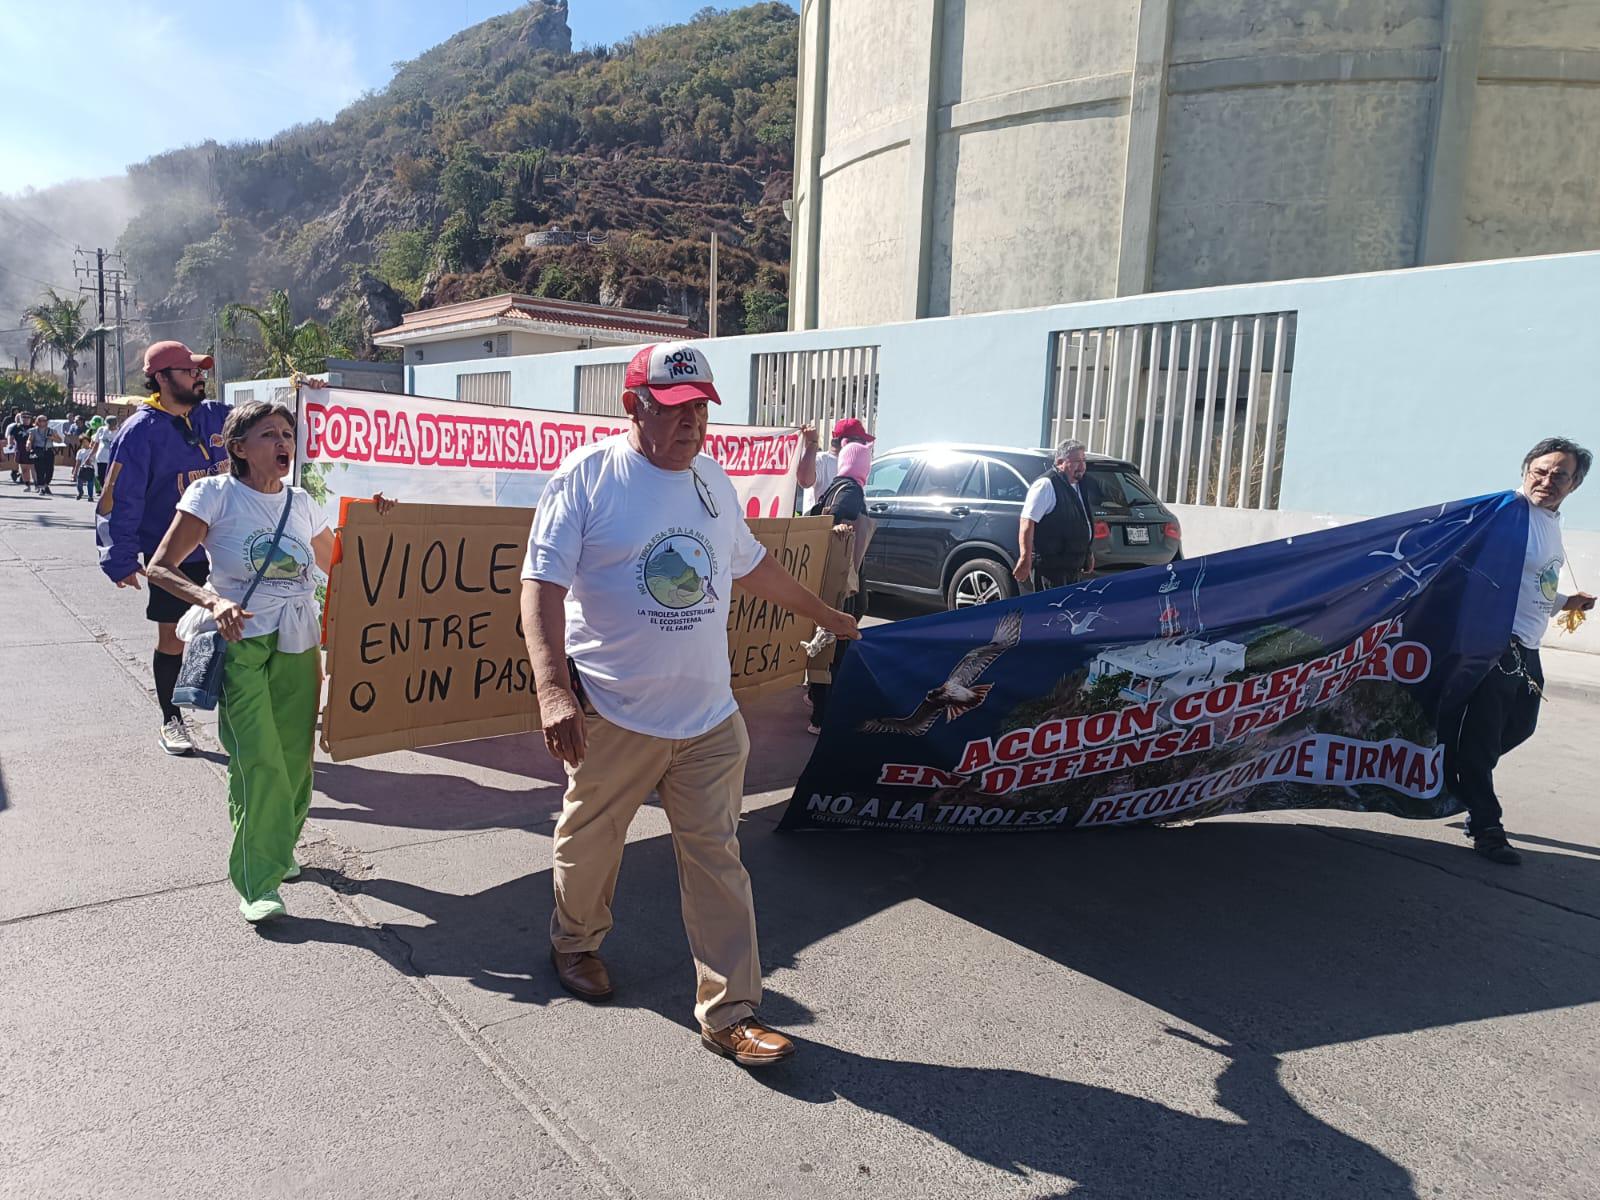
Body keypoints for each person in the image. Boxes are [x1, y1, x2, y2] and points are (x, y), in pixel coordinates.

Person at [522, 341, 860, 1068]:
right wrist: (553, 690)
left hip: (708, 717)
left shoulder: (712, 479)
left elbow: (752, 564)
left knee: (717, 858)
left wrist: (825, 615)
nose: (692, 424)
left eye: (701, 408)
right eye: (675, 409)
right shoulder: (588, 478)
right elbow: (540, 586)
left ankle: (731, 1012)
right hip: (614, 713)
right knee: (589, 844)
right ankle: (574, 941)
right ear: (633, 406)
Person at [145, 402, 393, 923]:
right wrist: (213, 600)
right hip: (241, 643)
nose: (284, 442)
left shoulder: (301, 502)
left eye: (287, 433)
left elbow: (341, 563)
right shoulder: (213, 494)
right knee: (258, 760)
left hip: (299, 642)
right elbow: (161, 567)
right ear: (239, 447)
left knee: (296, 761)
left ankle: (279, 847)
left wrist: (376, 521)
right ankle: (258, 882)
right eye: (269, 434)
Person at [1441, 436, 1595, 865]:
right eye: (1539, 471)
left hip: (1527, 645)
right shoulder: (1507, 513)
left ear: (1574, 484)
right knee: (1483, 738)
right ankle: (1487, 826)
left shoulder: (1549, 521)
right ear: (1526, 471)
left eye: (1559, 475)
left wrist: (1566, 602)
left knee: (1519, 727)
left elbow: (1531, 583)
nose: (1547, 480)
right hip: (1495, 644)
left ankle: (1454, 778)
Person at [98, 341, 232, 756]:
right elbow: (118, 498)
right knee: (173, 639)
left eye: (199, 371)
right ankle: (171, 719)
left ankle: (241, 719)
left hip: (228, 550)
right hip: (174, 557)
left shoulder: (219, 416)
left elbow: (276, 424)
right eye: (189, 371)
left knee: (238, 633)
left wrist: (309, 395)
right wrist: (119, 557)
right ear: (161, 377)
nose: (199, 377)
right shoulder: (139, 432)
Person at [804, 440, 874, 734]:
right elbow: (838, 514)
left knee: (826, 642)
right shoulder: (851, 490)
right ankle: (822, 716)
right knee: (836, 646)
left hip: (827, 576)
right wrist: (838, 525)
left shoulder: (833, 486)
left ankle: (816, 699)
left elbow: (813, 518)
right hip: (841, 580)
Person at [1014, 438, 1098, 591]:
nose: (1082, 467)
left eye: (1084, 461)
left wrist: (1087, 552)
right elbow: (1027, 521)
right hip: (1051, 570)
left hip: (1073, 568)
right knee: (1051, 607)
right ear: (1060, 462)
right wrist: (1025, 557)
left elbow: (1081, 522)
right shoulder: (1046, 485)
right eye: (1077, 462)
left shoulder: (1080, 485)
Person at [801, 417, 875, 511]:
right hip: (822, 520)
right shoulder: (822, 460)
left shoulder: (855, 465)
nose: (863, 446)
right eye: (862, 442)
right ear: (847, 442)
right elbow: (805, 481)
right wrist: (812, 444)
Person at [27, 414, 63, 496]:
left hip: (48, 451)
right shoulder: (33, 431)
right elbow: (30, 439)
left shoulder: (51, 430)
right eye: (41, 420)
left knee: (49, 470)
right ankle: (41, 488)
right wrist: (28, 444)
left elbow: (60, 440)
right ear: (38, 422)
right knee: (39, 470)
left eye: (45, 420)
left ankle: (46, 485)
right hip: (38, 451)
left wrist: (52, 438)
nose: (43, 422)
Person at [92, 415, 118, 487]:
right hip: (101, 458)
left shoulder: (119, 431)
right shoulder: (101, 430)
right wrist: (90, 456)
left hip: (113, 459)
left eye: (114, 425)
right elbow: (96, 444)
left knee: (112, 479)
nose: (112, 427)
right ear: (106, 424)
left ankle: (109, 492)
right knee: (101, 477)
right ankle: (104, 490)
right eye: (110, 425)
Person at [7, 411, 31, 486]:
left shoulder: (33, 427)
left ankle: (37, 483)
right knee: (23, 467)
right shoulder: (15, 427)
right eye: (24, 417)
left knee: (30, 467)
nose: (26, 419)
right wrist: (10, 443)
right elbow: (10, 436)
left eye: (28, 417)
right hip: (20, 449)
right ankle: (24, 479)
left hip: (30, 450)